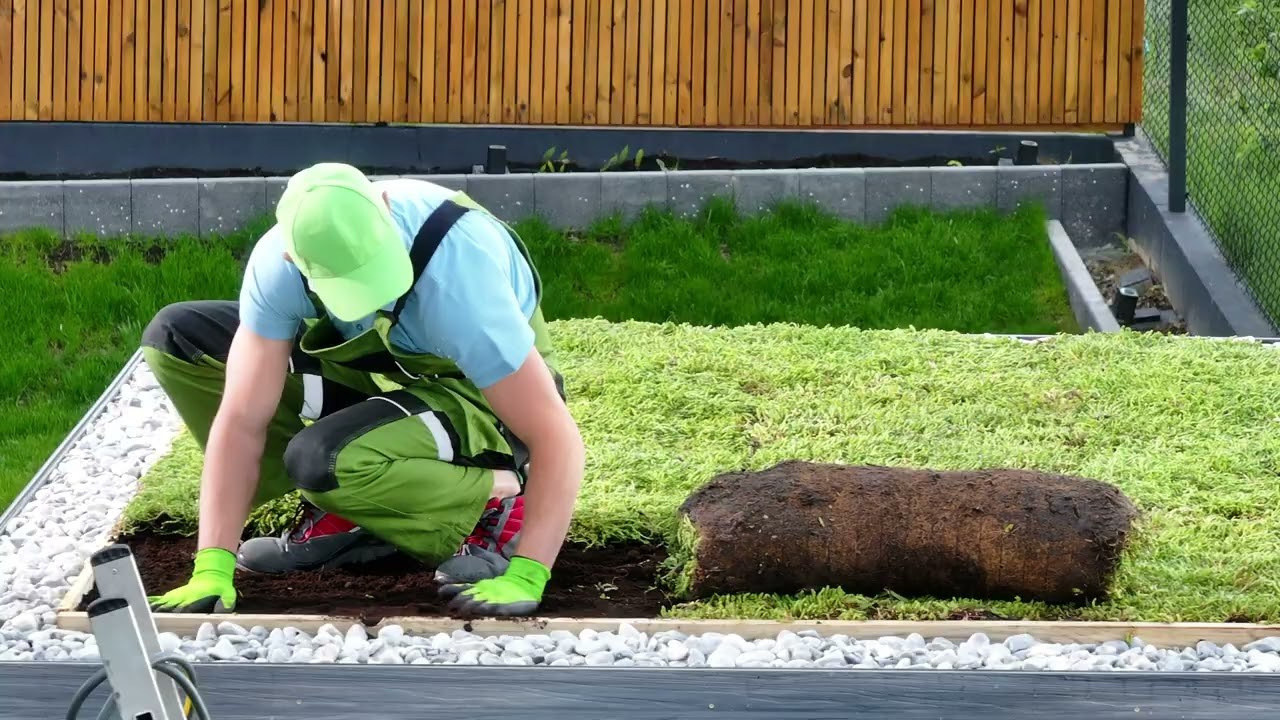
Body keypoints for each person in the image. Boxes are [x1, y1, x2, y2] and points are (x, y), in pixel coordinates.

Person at [138, 162, 584, 618]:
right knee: (181, 339)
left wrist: (530, 573)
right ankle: (355, 509)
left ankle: (496, 498)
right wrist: (212, 565)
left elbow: (554, 435)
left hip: (480, 400)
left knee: (322, 460)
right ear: (295, 259)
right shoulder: (278, 265)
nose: (371, 292)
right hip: (389, 372)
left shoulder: (458, 279)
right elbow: (241, 418)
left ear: (385, 205)